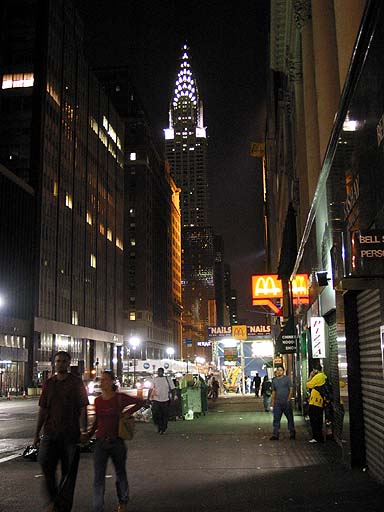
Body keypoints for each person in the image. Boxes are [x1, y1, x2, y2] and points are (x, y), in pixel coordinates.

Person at [33, 351, 89, 512]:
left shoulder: (76, 383)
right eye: (58, 361)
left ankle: (63, 507)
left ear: (69, 363)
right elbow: (43, 409)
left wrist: (83, 430)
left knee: (69, 473)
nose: (60, 364)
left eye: (64, 361)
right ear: (54, 363)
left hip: (71, 435)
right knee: (45, 463)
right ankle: (53, 500)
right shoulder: (49, 384)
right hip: (50, 433)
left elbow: (83, 408)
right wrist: (36, 433)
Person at [87, 370, 144, 512]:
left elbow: (140, 402)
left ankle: (123, 501)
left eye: (106, 379)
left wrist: (126, 413)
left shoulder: (119, 398)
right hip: (100, 441)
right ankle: (97, 506)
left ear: (112, 381)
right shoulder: (98, 400)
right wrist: (88, 435)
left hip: (117, 441)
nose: (102, 382)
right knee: (98, 477)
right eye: (101, 379)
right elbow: (96, 422)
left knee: (120, 472)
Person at [270, 366, 295, 440]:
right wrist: (272, 402)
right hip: (277, 403)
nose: (279, 371)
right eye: (278, 370)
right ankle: (275, 434)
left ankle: (292, 433)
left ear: (283, 371)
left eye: (281, 370)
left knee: (290, 418)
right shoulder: (274, 380)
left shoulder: (287, 379)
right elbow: (274, 391)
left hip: (286, 402)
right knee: (276, 419)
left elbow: (291, 389)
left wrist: (288, 399)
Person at [149, 367, 175, 434]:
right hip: (156, 399)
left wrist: (172, 398)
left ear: (163, 372)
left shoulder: (168, 379)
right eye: (158, 371)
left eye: (160, 371)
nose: (159, 373)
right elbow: (151, 389)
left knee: (164, 415)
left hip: (165, 400)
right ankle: (159, 426)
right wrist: (148, 398)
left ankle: (163, 428)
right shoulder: (155, 379)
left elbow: (173, 389)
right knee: (156, 414)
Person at [306, 365, 327, 443]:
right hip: (318, 401)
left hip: (316, 402)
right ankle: (318, 436)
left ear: (315, 370)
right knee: (318, 419)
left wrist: (311, 376)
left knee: (315, 420)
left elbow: (308, 384)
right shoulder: (323, 376)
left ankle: (317, 437)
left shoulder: (319, 376)